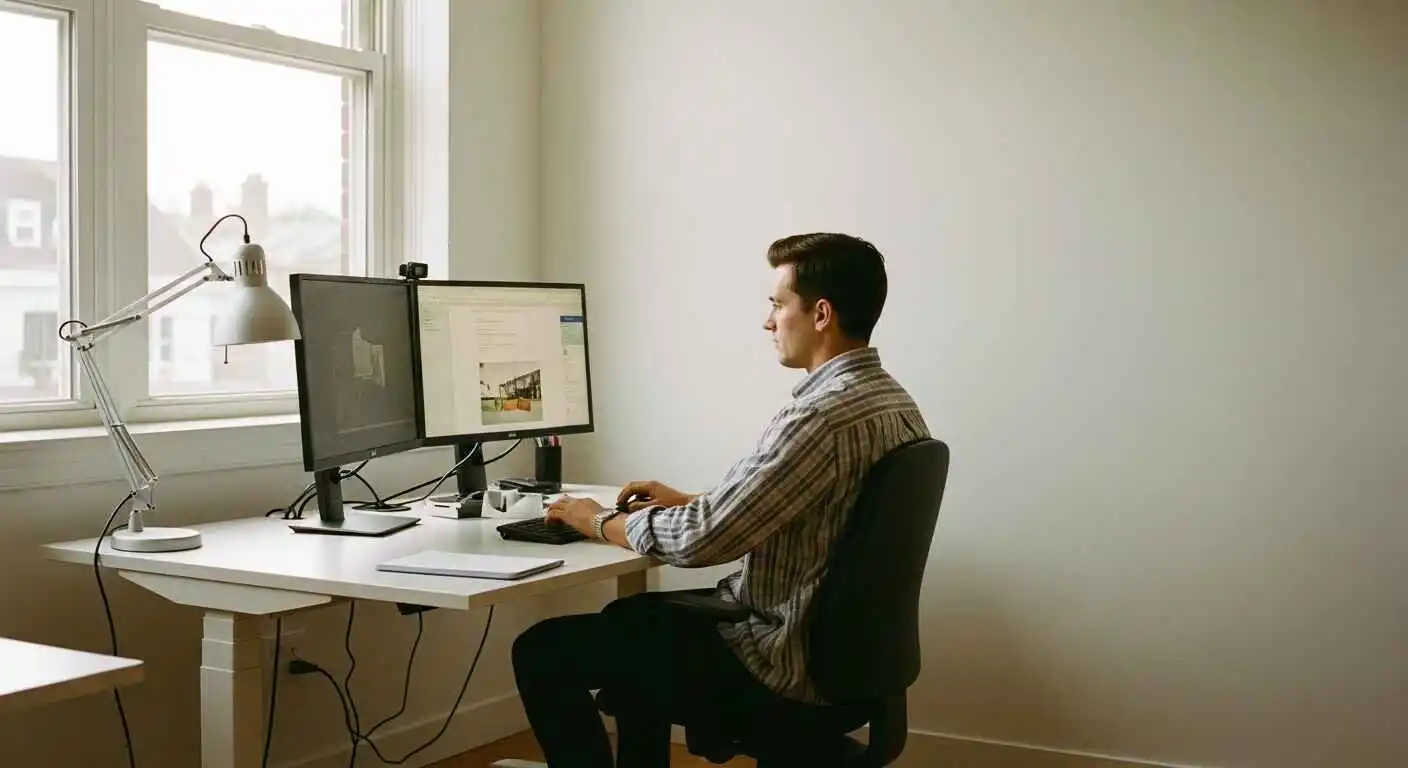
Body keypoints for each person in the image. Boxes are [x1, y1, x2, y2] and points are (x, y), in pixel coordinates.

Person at [511, 232, 931, 767]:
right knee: (633, 621)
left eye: (778, 304)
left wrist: (598, 520)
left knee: (544, 651)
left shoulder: (818, 416)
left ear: (820, 313)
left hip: (780, 665)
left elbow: (701, 541)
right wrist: (694, 500)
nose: (767, 321)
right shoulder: (891, 401)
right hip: (850, 667)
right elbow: (825, 505)